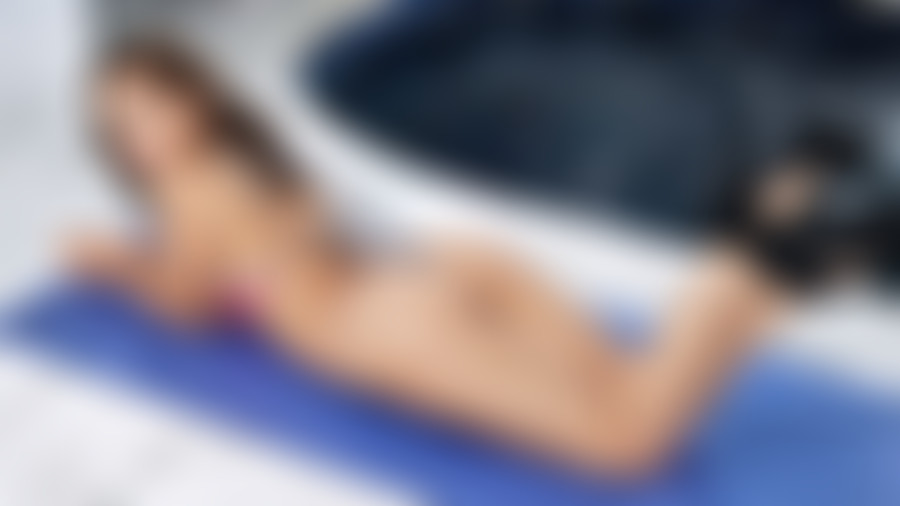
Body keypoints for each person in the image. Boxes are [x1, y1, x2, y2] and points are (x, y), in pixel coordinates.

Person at [67, 39, 858, 478]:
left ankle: (749, 249)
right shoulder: (260, 165)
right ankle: (771, 243)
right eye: (123, 125)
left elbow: (185, 304)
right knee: (627, 391)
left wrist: (115, 265)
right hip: (450, 271)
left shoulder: (188, 189)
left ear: (197, 98)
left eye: (149, 110)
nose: (143, 137)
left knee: (628, 439)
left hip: (383, 324)